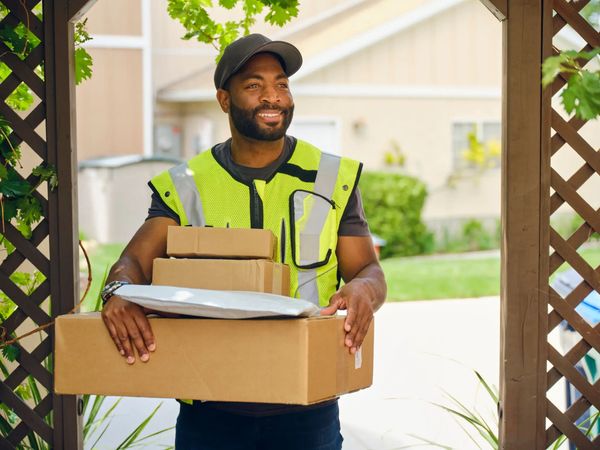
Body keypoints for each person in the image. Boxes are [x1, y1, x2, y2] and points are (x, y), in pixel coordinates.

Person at [101, 33, 387, 450]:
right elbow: (131, 265)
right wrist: (118, 292)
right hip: (210, 409)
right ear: (224, 99)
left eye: (281, 84)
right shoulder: (186, 184)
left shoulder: (332, 177)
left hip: (308, 408)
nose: (273, 97)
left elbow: (369, 270)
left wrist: (364, 289)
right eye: (254, 85)